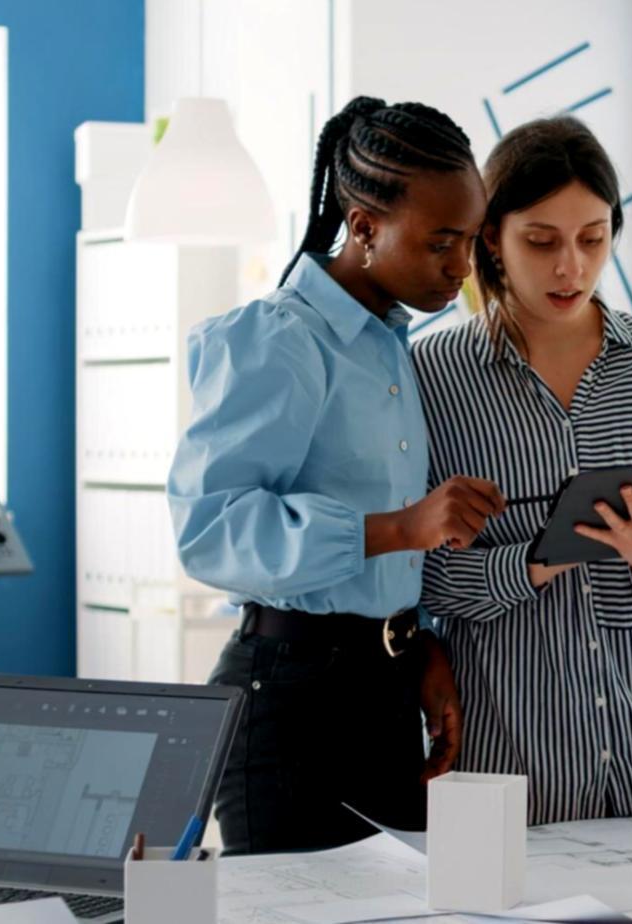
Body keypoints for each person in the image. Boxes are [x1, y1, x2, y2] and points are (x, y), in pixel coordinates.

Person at [167, 96, 504, 855]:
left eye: (471, 241)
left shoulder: (391, 347)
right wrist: (403, 528)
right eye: (441, 242)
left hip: (383, 692)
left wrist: (419, 645)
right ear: (362, 227)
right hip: (289, 704)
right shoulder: (279, 341)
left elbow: (371, 572)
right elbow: (209, 532)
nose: (461, 267)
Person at [410, 116, 632, 825]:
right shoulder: (430, 377)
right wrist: (535, 562)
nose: (570, 268)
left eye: (593, 239)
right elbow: (421, 577)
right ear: (491, 236)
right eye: (541, 242)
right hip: (508, 760)